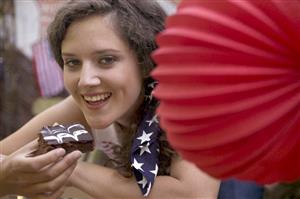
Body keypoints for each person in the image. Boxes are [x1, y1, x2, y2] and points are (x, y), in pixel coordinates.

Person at [0, 0, 220, 198]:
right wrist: (9, 174)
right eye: (73, 62)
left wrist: (69, 170)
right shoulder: (85, 104)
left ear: (145, 61)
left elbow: (192, 194)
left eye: (106, 60)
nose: (85, 80)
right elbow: (6, 154)